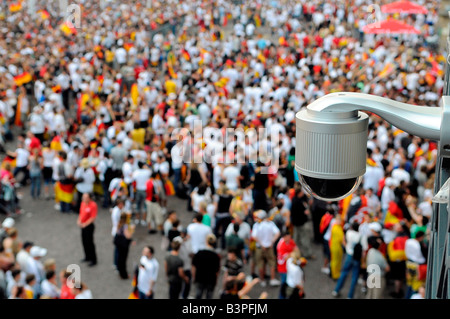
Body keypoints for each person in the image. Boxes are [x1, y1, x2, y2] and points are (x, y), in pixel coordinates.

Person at [332, 221, 362, 298]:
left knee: (344, 273)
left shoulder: (349, 232)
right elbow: (364, 249)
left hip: (349, 255)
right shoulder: (360, 236)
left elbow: (344, 239)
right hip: (356, 257)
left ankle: (336, 290)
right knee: (354, 276)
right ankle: (350, 296)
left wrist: (347, 247)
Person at [251, 210, 281, 287]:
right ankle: (272, 279)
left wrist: (261, 244)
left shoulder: (257, 225)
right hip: (269, 247)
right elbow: (278, 233)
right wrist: (272, 242)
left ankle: (262, 280)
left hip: (260, 248)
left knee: (261, 264)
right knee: (272, 263)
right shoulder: (270, 223)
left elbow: (254, 236)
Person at [192, 234, 221, 299]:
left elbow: (194, 266)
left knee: (198, 295)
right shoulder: (216, 256)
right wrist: (216, 279)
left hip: (200, 278)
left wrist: (194, 277)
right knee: (209, 296)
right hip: (211, 279)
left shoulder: (199, 253)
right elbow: (217, 270)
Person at [290, 186, 314, 259]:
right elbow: (299, 213)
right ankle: (307, 254)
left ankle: (294, 253)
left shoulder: (294, 199)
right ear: (299, 193)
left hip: (296, 223)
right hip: (301, 223)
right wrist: (304, 212)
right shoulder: (298, 202)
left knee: (296, 239)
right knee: (304, 239)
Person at [77, 193, 97, 267]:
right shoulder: (83, 203)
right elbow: (81, 213)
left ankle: (93, 259)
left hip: (88, 226)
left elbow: (92, 217)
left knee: (90, 243)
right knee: (84, 242)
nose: (84, 199)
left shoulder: (93, 205)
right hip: (83, 225)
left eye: (85, 197)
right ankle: (87, 256)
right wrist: (79, 221)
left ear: (89, 198)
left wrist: (85, 224)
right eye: (83, 197)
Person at [276, 231, 298, 299]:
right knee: (284, 283)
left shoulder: (290, 241)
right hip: (283, 268)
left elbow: (296, 249)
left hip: (289, 267)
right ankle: (281, 297)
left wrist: (292, 254)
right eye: (288, 237)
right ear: (284, 237)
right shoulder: (281, 246)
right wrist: (293, 254)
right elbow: (286, 257)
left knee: (289, 283)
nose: (290, 238)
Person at [114, 213, 135, 279]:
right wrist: (132, 230)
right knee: (123, 259)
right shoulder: (125, 225)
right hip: (123, 245)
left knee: (120, 258)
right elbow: (128, 236)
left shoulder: (119, 223)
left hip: (119, 243)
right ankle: (124, 274)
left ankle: (120, 271)